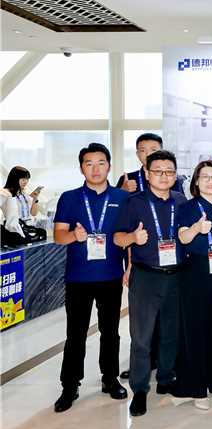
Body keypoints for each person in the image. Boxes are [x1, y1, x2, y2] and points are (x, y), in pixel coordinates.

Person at [52, 143, 129, 413]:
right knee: (75, 334)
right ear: (81, 168)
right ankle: (70, 385)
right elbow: (58, 236)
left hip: (111, 275)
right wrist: (74, 235)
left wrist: (130, 266)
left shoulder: (123, 197)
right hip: (78, 278)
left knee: (111, 331)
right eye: (89, 163)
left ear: (109, 166)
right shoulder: (69, 198)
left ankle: (110, 378)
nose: (95, 169)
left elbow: (128, 236)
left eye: (100, 163)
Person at [113, 150, 187, 417]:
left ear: (175, 175)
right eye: (158, 171)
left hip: (177, 275)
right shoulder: (134, 203)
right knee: (142, 338)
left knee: (170, 333)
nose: (164, 176)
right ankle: (140, 389)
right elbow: (117, 238)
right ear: (146, 173)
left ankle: (165, 378)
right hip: (146, 277)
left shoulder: (181, 201)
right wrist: (133, 237)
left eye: (169, 171)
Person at [172, 161, 212, 410]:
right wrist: (197, 228)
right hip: (196, 270)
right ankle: (197, 388)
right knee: (196, 329)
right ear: (196, 181)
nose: (210, 181)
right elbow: (182, 237)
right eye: (205, 176)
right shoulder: (187, 207)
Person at [116, 133, 183, 194]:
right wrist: (122, 192)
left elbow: (180, 201)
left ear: (162, 152)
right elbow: (114, 203)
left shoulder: (171, 178)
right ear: (137, 154)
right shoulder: (127, 179)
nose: (148, 154)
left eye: (153, 150)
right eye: (143, 150)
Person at [1, 166, 46, 245]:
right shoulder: (5, 193)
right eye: (23, 179)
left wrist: (35, 199)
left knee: (42, 233)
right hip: (15, 229)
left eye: (27, 179)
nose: (26, 182)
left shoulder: (24, 192)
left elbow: (33, 213)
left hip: (28, 227)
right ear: (14, 179)